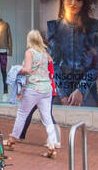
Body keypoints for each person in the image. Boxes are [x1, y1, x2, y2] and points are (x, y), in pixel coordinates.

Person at [7, 30, 60, 158]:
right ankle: (52, 145)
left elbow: (27, 70)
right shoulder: (44, 54)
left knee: (22, 114)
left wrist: (17, 70)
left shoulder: (29, 52)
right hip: (46, 89)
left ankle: (12, 140)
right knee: (47, 118)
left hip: (33, 89)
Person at [45, 0, 98, 107]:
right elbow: (52, 64)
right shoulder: (53, 27)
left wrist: (80, 91)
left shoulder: (92, 26)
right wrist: (63, 95)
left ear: (83, 3)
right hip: (60, 89)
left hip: (86, 89)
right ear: (63, 1)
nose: (73, 3)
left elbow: (96, 64)